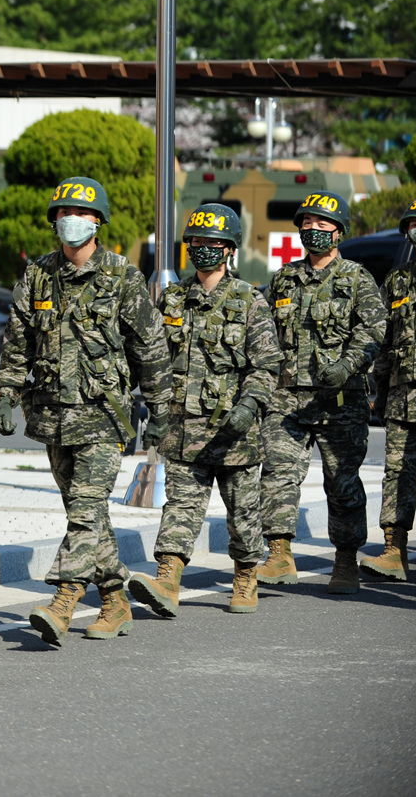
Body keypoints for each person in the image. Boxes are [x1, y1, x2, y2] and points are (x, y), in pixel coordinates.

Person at [0, 177, 172, 645]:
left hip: (104, 416)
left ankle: (64, 601)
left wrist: (160, 406)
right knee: (86, 514)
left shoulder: (122, 276)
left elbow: (149, 345)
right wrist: (8, 392)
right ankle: (115, 602)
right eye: (63, 212)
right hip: (52, 415)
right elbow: (18, 341)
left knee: (85, 512)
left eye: (81, 213)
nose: (70, 220)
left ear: (98, 222)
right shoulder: (37, 276)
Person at [128, 204, 280, 617]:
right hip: (182, 429)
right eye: (197, 242)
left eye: (214, 242)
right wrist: (153, 415)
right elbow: (153, 360)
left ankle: (246, 576)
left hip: (235, 434)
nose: (204, 249)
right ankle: (167, 578)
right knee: (179, 507)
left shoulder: (250, 301)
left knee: (243, 514)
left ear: (229, 248)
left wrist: (249, 405)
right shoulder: (173, 299)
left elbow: (267, 364)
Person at [257, 191, 386, 594]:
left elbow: (373, 330)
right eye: (306, 223)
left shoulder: (356, 279)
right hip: (287, 400)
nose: (312, 229)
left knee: (342, 482)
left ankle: (345, 560)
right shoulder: (284, 278)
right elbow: (262, 330)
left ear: (339, 231)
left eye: (321, 224)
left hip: (340, 403)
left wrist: (347, 366)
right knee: (278, 475)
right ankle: (279, 554)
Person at [365, 198, 416, 582]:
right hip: (405, 395)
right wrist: (379, 388)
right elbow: (384, 341)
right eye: (413, 224)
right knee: (398, 472)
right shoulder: (397, 281)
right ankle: (394, 550)